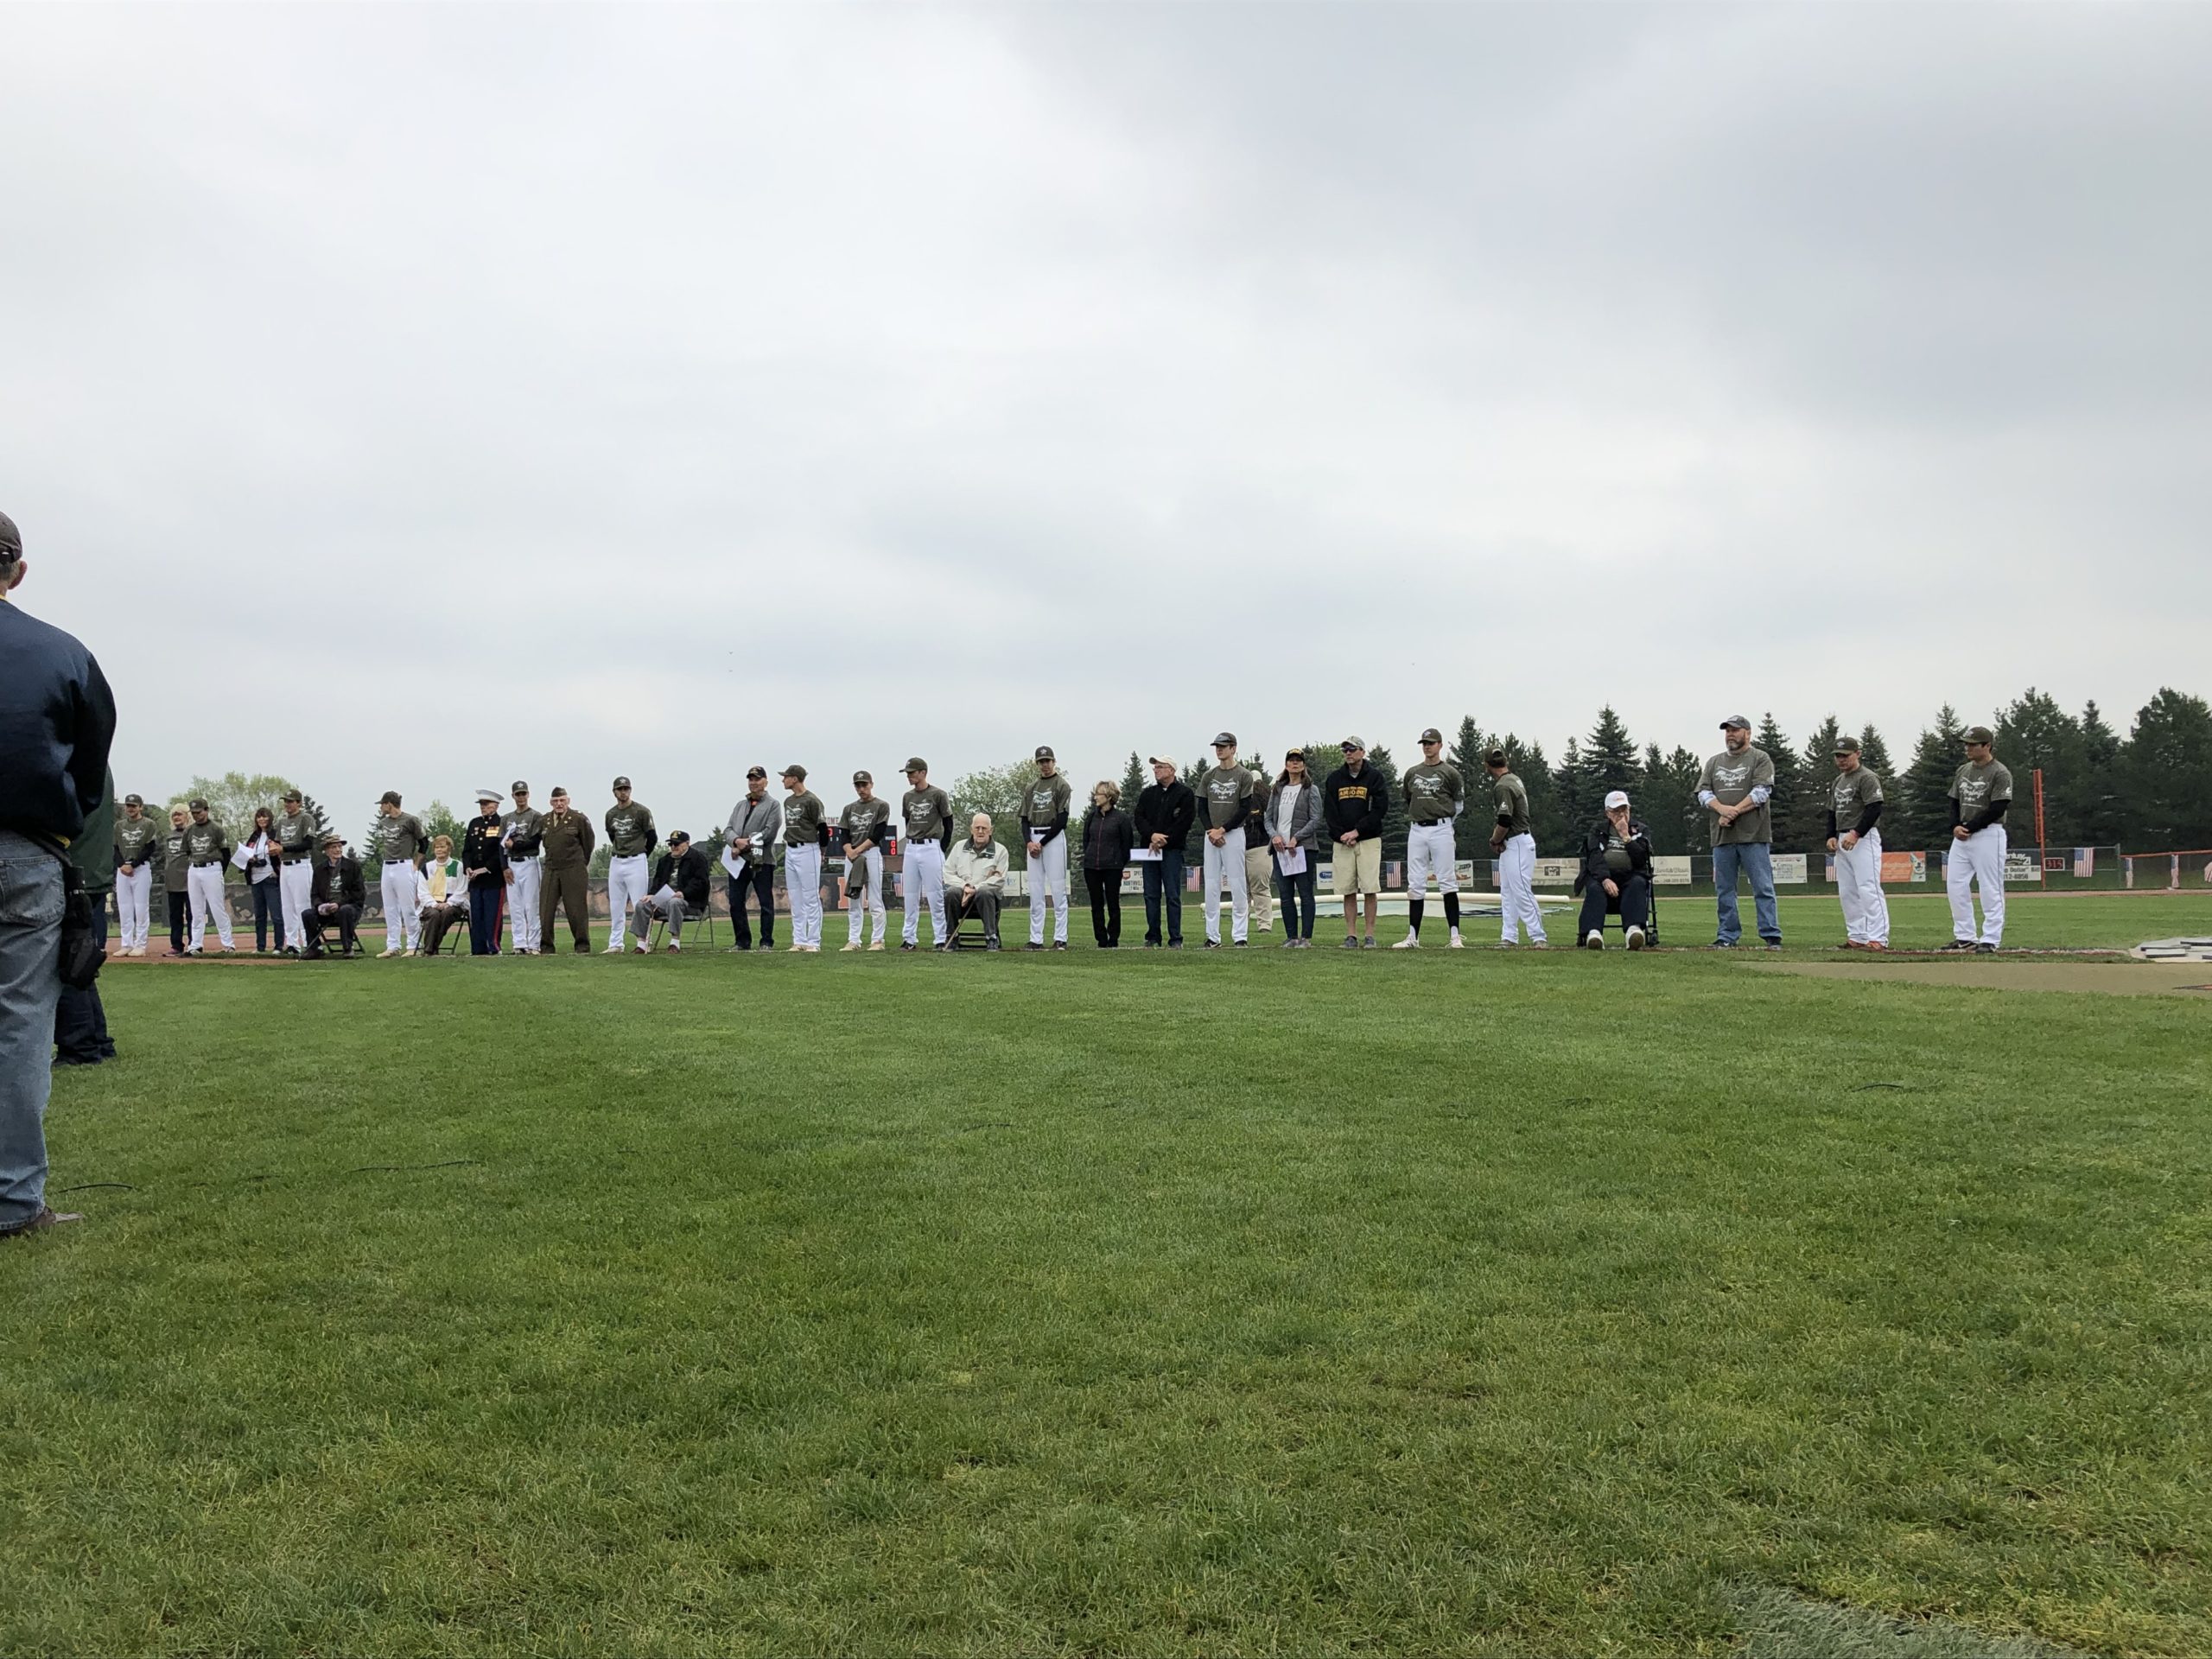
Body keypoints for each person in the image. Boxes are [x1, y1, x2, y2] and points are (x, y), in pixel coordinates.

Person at [0, 505, 118, 1237]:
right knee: (20, 1024)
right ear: (16, 570)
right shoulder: (62, 651)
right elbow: (92, 762)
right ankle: (14, 1200)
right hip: (27, 849)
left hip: (31, 850)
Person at [1697, 715, 1781, 950]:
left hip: (1754, 835)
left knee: (1763, 887)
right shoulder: (1714, 762)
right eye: (1727, 731)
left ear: (1748, 733)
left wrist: (1733, 811)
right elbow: (1703, 793)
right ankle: (1727, 935)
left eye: (1735, 730)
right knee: (1724, 890)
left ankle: (1771, 935)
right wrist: (1721, 809)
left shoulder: (1760, 758)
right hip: (1722, 837)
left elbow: (1762, 792)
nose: (1730, 735)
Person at [55, 770, 118, 1066]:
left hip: (71, 869)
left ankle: (80, 1047)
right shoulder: (95, 759)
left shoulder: (67, 755)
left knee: (66, 963)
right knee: (78, 961)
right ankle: (98, 1041)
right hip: (90, 871)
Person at [1395, 726, 1466, 950]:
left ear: (1440, 745)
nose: (1427, 747)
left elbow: (1458, 804)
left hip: (1441, 827)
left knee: (1447, 881)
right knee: (1415, 883)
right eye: (1424, 744)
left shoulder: (1450, 772)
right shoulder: (1412, 772)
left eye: (1431, 743)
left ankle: (1455, 937)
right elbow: (1408, 799)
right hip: (1417, 829)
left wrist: (1445, 823)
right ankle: (1413, 937)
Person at [1945, 725, 2012, 953]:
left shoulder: (1999, 772)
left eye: (1973, 744)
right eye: (1967, 744)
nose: (1968, 748)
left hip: (1988, 834)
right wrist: (1955, 825)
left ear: (1987, 746)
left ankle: (1991, 938)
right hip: (1962, 835)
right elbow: (1954, 801)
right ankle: (1964, 936)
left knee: (1990, 887)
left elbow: (1998, 807)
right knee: (1955, 884)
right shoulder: (1963, 770)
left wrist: (1971, 827)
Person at [1323, 736, 1387, 948]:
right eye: (1345, 750)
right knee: (1348, 890)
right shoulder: (1334, 779)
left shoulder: (1375, 778)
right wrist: (1343, 834)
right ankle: (1351, 935)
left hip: (1368, 840)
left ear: (1362, 752)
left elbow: (1379, 810)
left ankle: (1369, 935)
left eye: (1352, 749)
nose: (1348, 753)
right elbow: (1330, 812)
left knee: (1369, 888)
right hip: (1342, 842)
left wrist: (1357, 831)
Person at [1827, 737, 1890, 951]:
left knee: (1868, 887)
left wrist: (1857, 833)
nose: (1841, 760)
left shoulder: (1867, 777)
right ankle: (1858, 935)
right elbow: (1832, 811)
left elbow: (1874, 808)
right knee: (1847, 890)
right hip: (1843, 838)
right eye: (1838, 756)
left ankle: (1878, 937)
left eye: (1845, 755)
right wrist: (1831, 835)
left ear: (1858, 753)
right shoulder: (1838, 781)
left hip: (1863, 837)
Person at [1574, 790, 1653, 950]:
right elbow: (1594, 857)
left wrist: (1626, 836)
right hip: (1603, 877)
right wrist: (1605, 878)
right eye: (1616, 811)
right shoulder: (1598, 831)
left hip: (1630, 876)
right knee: (1594, 887)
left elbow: (1640, 860)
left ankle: (1634, 932)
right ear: (1607, 813)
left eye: (1624, 810)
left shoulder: (1641, 830)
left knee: (1638, 882)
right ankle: (1593, 934)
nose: (1621, 814)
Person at [1132, 755, 1195, 950]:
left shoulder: (1185, 794)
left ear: (1171, 770)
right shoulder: (1148, 794)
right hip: (1150, 851)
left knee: (1172, 895)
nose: (1156, 770)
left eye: (1160, 767)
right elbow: (1139, 817)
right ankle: (1153, 936)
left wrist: (1163, 840)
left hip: (1172, 851)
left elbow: (1184, 822)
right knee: (1151, 895)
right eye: (1155, 767)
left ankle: (1175, 938)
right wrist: (1152, 836)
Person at [1197, 733, 1254, 948]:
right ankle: (1213, 936)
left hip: (1234, 833)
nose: (1219, 750)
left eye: (1223, 746)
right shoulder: (1209, 776)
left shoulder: (1244, 775)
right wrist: (1211, 830)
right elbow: (1201, 807)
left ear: (1233, 748)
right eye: (1217, 747)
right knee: (1211, 885)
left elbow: (1244, 808)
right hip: (1211, 835)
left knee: (1238, 883)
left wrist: (1223, 829)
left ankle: (1240, 936)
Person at [1487, 748, 1547, 948]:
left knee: (1520, 890)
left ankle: (1538, 936)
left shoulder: (1502, 785)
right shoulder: (1515, 779)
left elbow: (1505, 820)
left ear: (1486, 765)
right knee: (1508, 892)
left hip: (1517, 842)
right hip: (1516, 842)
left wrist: (1495, 840)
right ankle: (1509, 936)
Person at [1268, 748, 1325, 949]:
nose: (1294, 764)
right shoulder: (1277, 789)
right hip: (1280, 850)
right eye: (1291, 761)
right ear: (1286, 765)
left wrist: (1297, 837)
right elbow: (1268, 818)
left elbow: (1316, 818)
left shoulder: (1311, 790)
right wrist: (1274, 835)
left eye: (1298, 761)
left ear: (1303, 765)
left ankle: (1306, 937)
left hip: (1302, 850)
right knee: (1285, 894)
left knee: (1305, 893)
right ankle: (1291, 936)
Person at [1020, 745, 1074, 951]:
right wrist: (1029, 842)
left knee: (1058, 888)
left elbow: (1062, 819)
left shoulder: (1062, 785)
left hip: (1052, 837)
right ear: (1037, 764)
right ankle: (1036, 938)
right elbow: (1024, 819)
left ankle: (1060, 937)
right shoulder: (1031, 788)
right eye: (1041, 762)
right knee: (1035, 889)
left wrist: (1041, 844)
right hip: (1034, 834)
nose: (1045, 765)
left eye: (1048, 761)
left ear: (1054, 762)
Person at [898, 758, 954, 951]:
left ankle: (940, 938)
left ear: (923, 772)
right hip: (912, 846)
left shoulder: (938, 794)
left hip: (931, 845)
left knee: (935, 895)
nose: (909, 776)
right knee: (910, 895)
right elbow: (908, 822)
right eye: (908, 773)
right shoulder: (907, 797)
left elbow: (948, 822)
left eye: (912, 773)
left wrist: (942, 846)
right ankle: (909, 938)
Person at [724, 766, 782, 951]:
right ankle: (742, 941)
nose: (753, 783)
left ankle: (766, 941)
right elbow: (728, 829)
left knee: (765, 902)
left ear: (765, 782)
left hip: (761, 860)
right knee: (735, 902)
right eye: (751, 779)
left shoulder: (773, 805)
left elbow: (769, 832)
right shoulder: (741, 805)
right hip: (738, 861)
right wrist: (735, 840)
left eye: (757, 779)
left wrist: (745, 844)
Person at [602, 777, 658, 954]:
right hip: (617, 859)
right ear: (614, 792)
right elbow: (613, 836)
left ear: (630, 790)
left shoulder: (641, 811)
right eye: (620, 789)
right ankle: (616, 943)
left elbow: (652, 837)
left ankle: (643, 941)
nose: (623, 792)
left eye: (626, 788)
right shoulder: (611, 814)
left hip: (636, 859)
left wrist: (641, 854)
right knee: (616, 905)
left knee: (639, 903)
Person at [838, 772, 892, 951]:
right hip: (852, 854)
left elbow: (878, 834)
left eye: (864, 785)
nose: (861, 789)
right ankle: (854, 940)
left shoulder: (881, 805)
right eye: (858, 785)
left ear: (871, 784)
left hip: (871, 852)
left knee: (875, 898)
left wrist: (858, 850)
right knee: (854, 898)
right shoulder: (849, 808)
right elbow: (843, 833)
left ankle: (877, 940)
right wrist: (850, 851)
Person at [538, 786, 595, 954]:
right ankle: (547, 947)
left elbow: (588, 843)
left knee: (576, 910)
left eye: (562, 800)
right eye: (555, 801)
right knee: (546, 910)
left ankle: (582, 946)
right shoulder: (545, 821)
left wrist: (581, 863)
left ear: (568, 801)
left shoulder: (578, 819)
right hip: (551, 868)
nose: (559, 804)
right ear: (551, 802)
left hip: (573, 868)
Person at [1079, 780, 1135, 948]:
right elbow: (1086, 840)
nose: (1095, 797)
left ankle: (1113, 937)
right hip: (1091, 867)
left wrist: (1118, 861)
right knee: (1096, 904)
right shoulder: (1091, 817)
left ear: (1109, 796)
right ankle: (1101, 938)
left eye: (1099, 794)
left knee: (1113, 903)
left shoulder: (1121, 819)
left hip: (1112, 867)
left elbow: (1127, 844)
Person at [372, 791, 428, 957]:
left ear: (389, 803)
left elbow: (424, 842)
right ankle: (393, 945)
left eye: (382, 804)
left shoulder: (410, 820)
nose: (381, 808)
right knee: (390, 908)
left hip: (404, 864)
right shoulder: (384, 822)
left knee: (408, 907)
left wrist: (417, 863)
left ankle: (413, 945)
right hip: (387, 865)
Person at [943, 813, 1009, 949]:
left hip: (987, 898)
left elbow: (999, 879)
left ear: (991, 830)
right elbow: (947, 873)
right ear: (971, 829)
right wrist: (965, 886)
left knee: (984, 891)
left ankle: (991, 938)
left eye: (984, 828)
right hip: (962, 896)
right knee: (951, 892)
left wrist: (976, 889)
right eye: (977, 828)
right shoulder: (958, 847)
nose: (980, 831)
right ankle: (951, 936)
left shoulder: (1000, 851)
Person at [780, 765, 828, 953]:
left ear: (795, 778)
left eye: (786, 777)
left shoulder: (812, 800)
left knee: (811, 897)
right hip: (791, 849)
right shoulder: (788, 801)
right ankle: (798, 939)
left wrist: (822, 852)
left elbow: (823, 828)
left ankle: (813, 941)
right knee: (795, 897)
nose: (783, 780)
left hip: (808, 848)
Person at [180, 798, 236, 956]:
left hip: (212, 867)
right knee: (196, 910)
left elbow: (226, 853)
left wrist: (220, 872)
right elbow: (187, 851)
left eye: (199, 812)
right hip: (195, 868)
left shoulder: (216, 828)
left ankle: (228, 944)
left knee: (217, 908)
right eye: (194, 813)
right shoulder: (189, 830)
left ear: (206, 810)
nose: (197, 815)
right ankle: (195, 945)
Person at [300, 831, 365, 958]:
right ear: (326, 850)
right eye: (333, 847)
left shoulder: (353, 867)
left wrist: (339, 904)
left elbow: (358, 893)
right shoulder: (319, 869)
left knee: (345, 910)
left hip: (348, 907)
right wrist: (320, 906)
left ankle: (348, 947)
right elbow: (314, 894)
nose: (337, 850)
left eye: (339, 847)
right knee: (307, 914)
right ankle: (315, 948)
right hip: (326, 909)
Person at [499, 782, 545, 954]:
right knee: (515, 906)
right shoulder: (506, 818)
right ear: (513, 796)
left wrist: (515, 846)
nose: (521, 797)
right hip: (512, 864)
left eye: (523, 793)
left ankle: (534, 944)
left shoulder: (535, 816)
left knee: (531, 905)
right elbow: (501, 844)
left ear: (528, 794)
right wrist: (504, 867)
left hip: (529, 862)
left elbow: (534, 841)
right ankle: (519, 943)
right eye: (518, 794)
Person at [271, 788, 317, 957]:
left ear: (299, 803)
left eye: (290, 801)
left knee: (302, 905)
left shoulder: (306, 818)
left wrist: (283, 848)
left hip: (301, 864)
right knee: (287, 906)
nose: (287, 804)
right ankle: (291, 943)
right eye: (286, 801)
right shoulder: (282, 822)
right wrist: (273, 848)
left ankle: (308, 942)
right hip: (285, 865)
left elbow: (308, 843)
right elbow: (277, 842)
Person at [111, 791, 158, 957]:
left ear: (140, 807)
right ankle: (126, 943)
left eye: (134, 806)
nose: (130, 809)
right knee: (124, 908)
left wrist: (134, 864)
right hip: (123, 869)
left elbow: (150, 847)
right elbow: (115, 848)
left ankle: (140, 944)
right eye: (128, 806)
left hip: (140, 868)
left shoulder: (148, 824)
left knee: (140, 907)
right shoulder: (119, 826)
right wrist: (122, 865)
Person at [462, 788, 508, 956]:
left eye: (486, 804)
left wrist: (485, 868)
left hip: (492, 878)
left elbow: (500, 851)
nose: (483, 807)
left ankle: (493, 946)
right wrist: (467, 866)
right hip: (475, 879)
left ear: (495, 805)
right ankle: (478, 948)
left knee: (492, 916)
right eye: (481, 804)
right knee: (477, 915)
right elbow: (467, 849)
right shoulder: (474, 823)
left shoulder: (501, 823)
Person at [233, 805, 284, 953]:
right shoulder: (254, 836)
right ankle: (260, 947)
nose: (262, 819)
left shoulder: (275, 834)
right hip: (255, 878)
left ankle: (279, 946)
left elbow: (280, 853)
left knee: (276, 914)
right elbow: (247, 851)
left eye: (265, 816)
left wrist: (277, 870)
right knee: (259, 915)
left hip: (270, 877)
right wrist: (251, 859)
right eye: (259, 816)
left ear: (270, 818)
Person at [416, 836, 471, 956]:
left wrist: (449, 903)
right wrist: (434, 904)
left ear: (449, 849)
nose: (439, 850)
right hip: (431, 904)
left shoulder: (458, 866)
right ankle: (431, 949)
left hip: (454, 905)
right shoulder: (427, 868)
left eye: (442, 847)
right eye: (437, 847)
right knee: (434, 915)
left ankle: (431, 948)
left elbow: (462, 889)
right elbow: (422, 891)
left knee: (446, 913)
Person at [1241, 766, 1275, 935]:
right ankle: (1244, 925)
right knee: (1248, 890)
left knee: (1258, 889)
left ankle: (1264, 925)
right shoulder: (1251, 796)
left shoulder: (1262, 798)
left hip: (1259, 846)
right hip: (1245, 847)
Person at [158, 805, 192, 957]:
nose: (177, 818)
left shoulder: (192, 833)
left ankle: (194, 944)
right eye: (174, 815)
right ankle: (176, 945)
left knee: (192, 915)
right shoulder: (169, 836)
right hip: (173, 881)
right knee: (175, 916)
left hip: (190, 880)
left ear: (187, 816)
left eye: (180, 814)